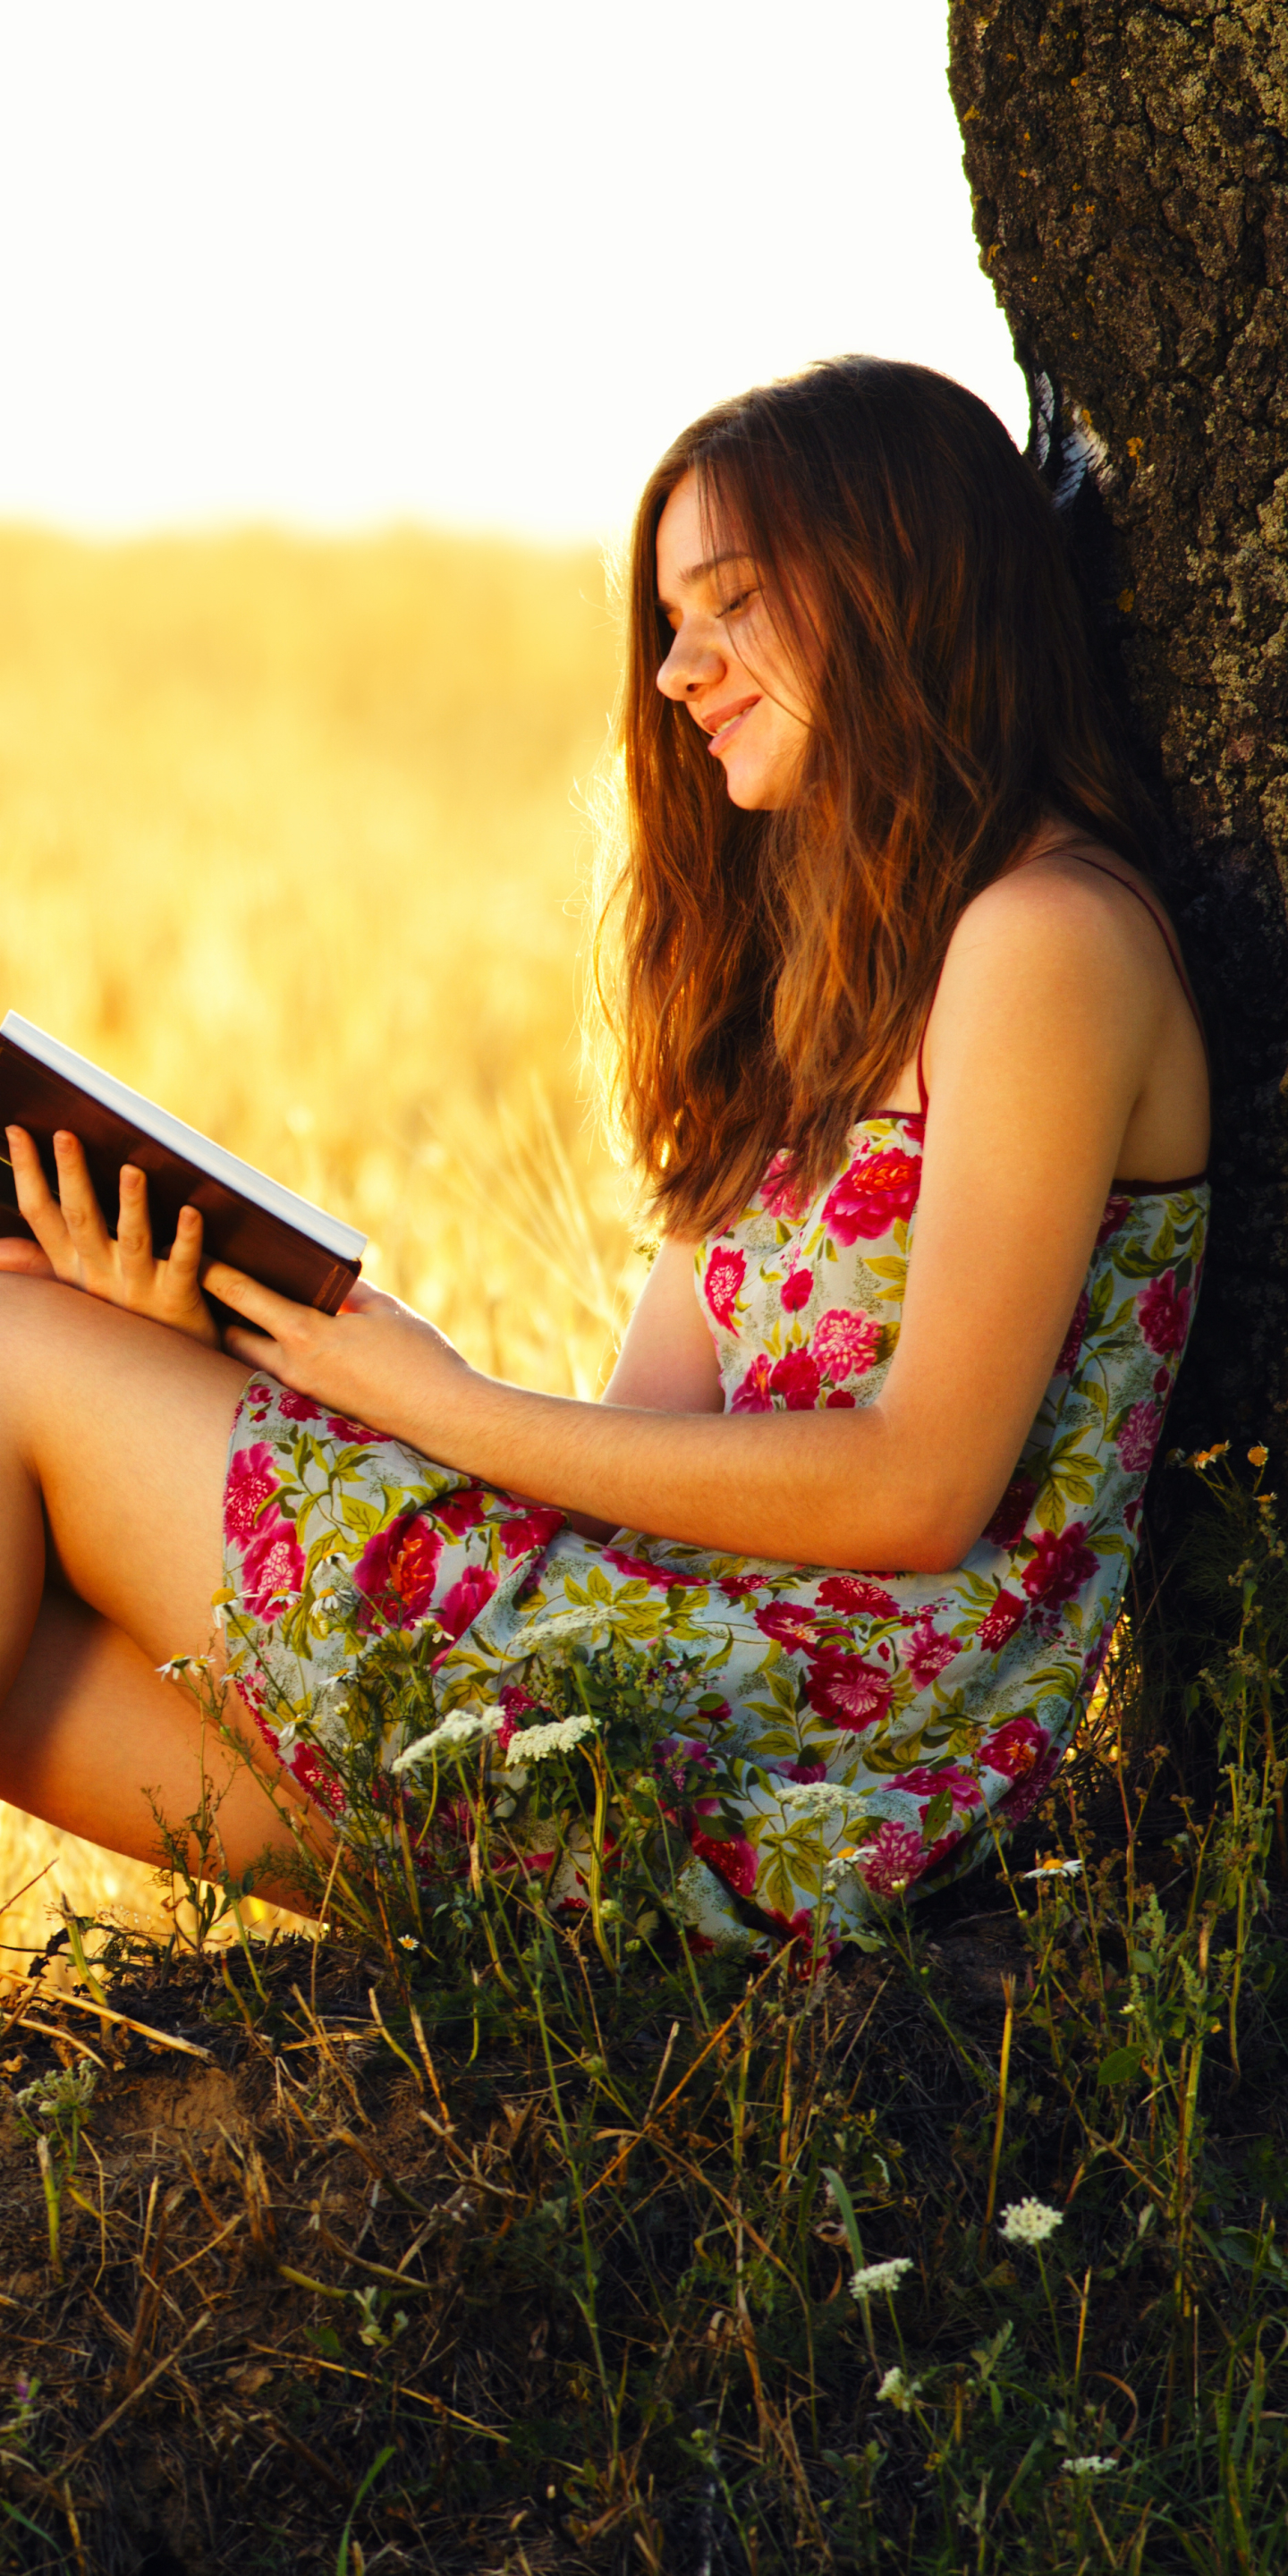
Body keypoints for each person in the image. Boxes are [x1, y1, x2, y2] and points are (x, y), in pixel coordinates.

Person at [0, 359, 1209, 1949]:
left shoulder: (1050, 943)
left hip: (809, 1763)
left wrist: (448, 1408)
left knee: (10, 1340)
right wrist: (246, 1356)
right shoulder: (820, 1010)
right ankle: (531, 1938)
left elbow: (923, 1489)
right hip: (668, 1680)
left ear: (898, 578)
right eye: (668, 623)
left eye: (729, 604)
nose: (677, 671)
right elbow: (635, 1469)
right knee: (26, 1646)